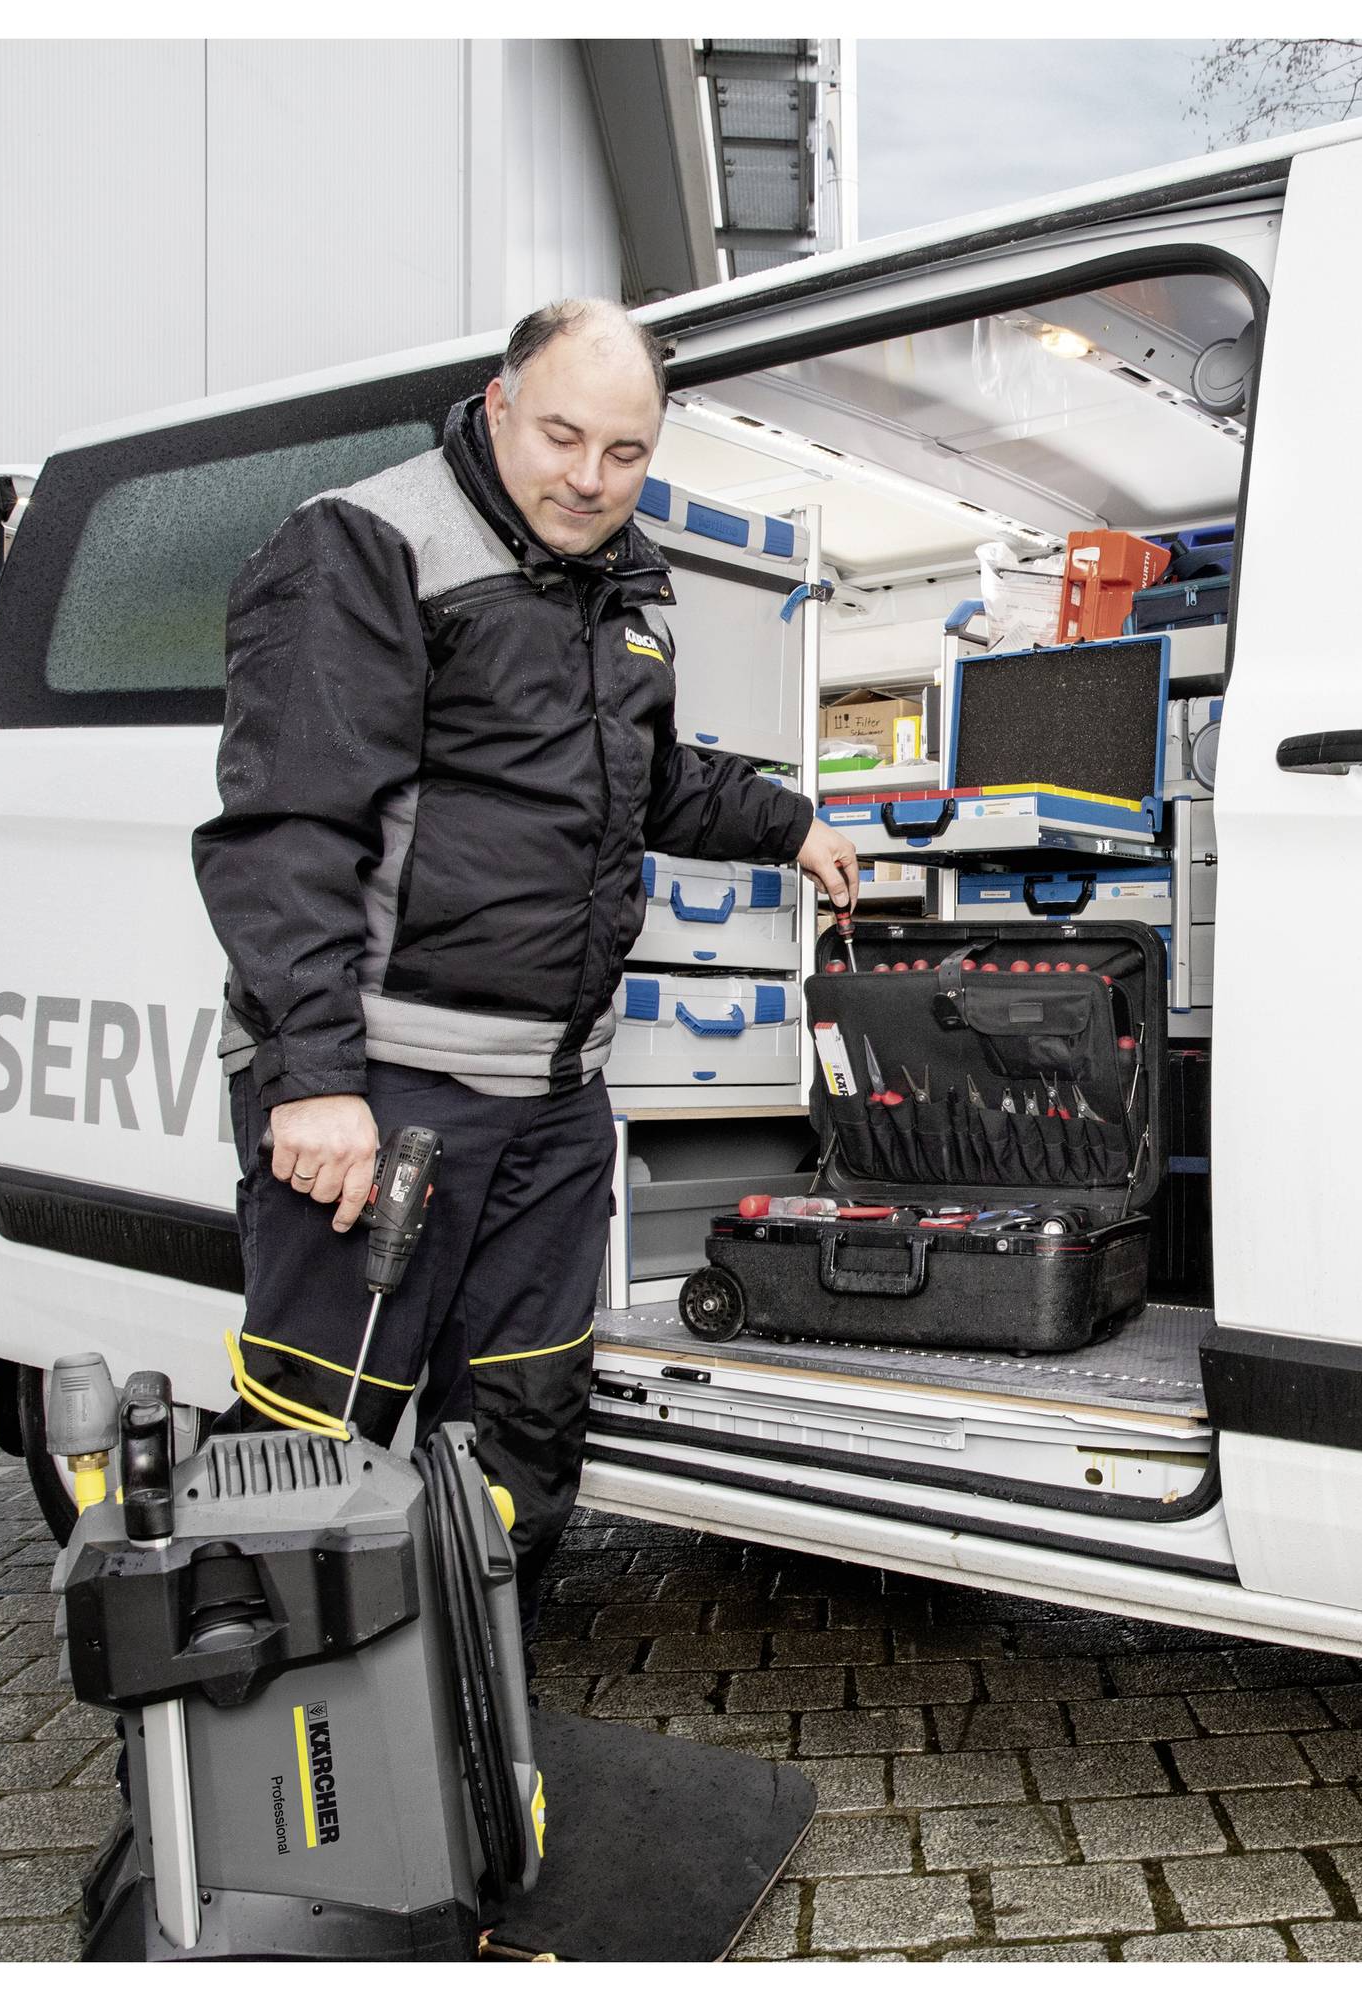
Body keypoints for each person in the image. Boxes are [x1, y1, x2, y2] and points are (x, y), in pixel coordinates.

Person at [191, 298, 858, 1622]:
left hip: (552, 1105)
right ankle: (265, 1722)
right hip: (389, 1090)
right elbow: (287, 830)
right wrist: (314, 1080)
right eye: (562, 436)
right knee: (314, 1440)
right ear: (498, 405)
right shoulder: (370, 543)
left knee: (522, 1429)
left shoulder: (624, 583)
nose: (591, 478)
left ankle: (462, 1697)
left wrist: (791, 824)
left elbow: (642, 779)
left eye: (626, 452)